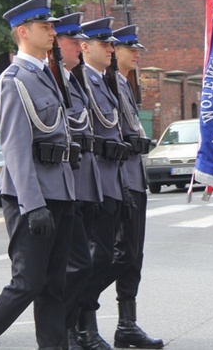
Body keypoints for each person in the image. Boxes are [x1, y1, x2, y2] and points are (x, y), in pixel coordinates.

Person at [0, 0, 75, 350]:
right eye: (45, 26)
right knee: (27, 282)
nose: (53, 31)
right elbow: (16, 148)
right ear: (23, 32)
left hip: (61, 190)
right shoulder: (13, 80)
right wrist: (32, 204)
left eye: (52, 26)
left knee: (55, 285)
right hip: (34, 195)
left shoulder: (45, 75)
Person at [101, 25, 161, 349]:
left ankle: (127, 323)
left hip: (135, 177)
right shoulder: (109, 85)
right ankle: (79, 307)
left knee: (133, 257)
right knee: (121, 254)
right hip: (121, 178)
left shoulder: (123, 84)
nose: (135, 53)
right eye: (128, 47)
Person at [75, 18, 131, 350]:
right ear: (86, 47)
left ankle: (83, 322)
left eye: (112, 44)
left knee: (107, 257)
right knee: (92, 259)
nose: (112, 49)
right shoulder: (82, 80)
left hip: (109, 177)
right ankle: (82, 325)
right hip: (91, 178)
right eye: (105, 44)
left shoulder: (104, 82)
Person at [52, 13, 104, 349]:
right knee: (64, 268)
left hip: (82, 180)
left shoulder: (73, 80)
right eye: (73, 41)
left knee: (87, 262)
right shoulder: (50, 79)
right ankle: (65, 331)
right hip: (61, 183)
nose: (79, 47)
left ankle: (72, 328)